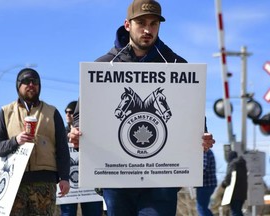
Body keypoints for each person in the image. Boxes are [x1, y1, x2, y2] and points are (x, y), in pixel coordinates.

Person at [69, 0, 216, 215]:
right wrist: (77, 132)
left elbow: (192, 115)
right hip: (115, 178)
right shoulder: (102, 66)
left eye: (154, 24)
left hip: (162, 180)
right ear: (127, 25)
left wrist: (202, 136)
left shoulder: (176, 65)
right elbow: (82, 116)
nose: (148, 30)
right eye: (141, 23)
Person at [0, 68, 70, 215]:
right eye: (26, 81)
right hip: (14, 183)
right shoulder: (6, 112)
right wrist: (15, 141)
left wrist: (64, 178)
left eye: (35, 82)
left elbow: (62, 149)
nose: (31, 85)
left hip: (45, 183)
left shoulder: (52, 112)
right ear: (18, 86)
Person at [60, 100, 103, 216]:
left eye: (71, 112)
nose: (67, 114)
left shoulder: (91, 132)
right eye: (66, 112)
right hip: (69, 185)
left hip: (90, 185)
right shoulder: (61, 133)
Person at [222, 151, 247, 216]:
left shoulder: (232, 164)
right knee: (238, 211)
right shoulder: (242, 165)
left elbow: (229, 177)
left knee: (235, 212)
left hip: (234, 192)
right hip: (242, 193)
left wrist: (224, 184)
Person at [196, 149, 217, 216]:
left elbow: (203, 168)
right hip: (208, 184)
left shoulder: (204, 151)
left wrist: (192, 177)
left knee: (201, 207)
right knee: (203, 207)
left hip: (205, 184)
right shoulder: (207, 151)